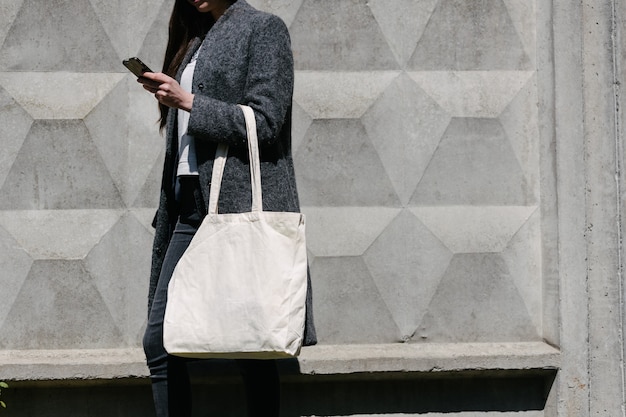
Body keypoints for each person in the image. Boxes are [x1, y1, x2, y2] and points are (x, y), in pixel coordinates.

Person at [137, 1, 317, 416]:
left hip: (235, 205)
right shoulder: (198, 36)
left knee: (247, 340)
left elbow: (268, 121)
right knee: (160, 338)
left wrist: (189, 102)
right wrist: (174, 97)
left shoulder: (263, 29)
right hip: (187, 205)